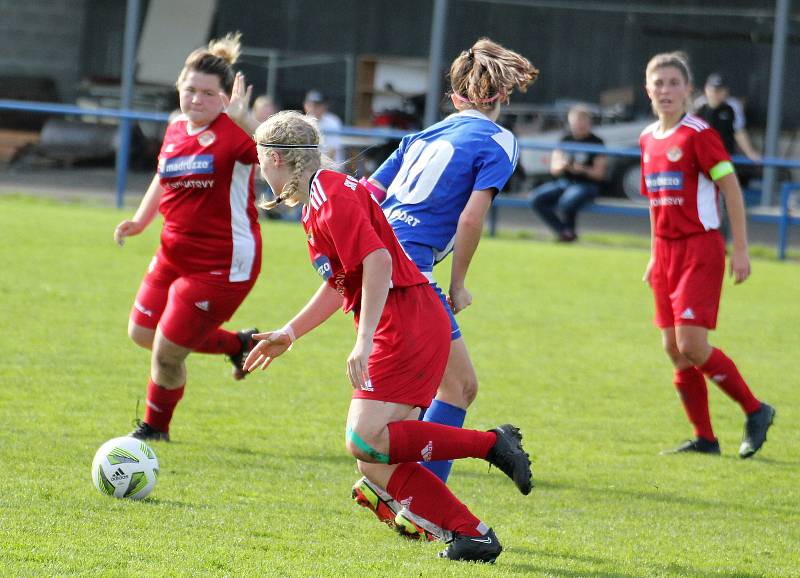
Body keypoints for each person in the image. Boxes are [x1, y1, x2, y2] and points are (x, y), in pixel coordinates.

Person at [243, 110, 532, 563]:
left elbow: (377, 261)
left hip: (407, 320)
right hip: (404, 318)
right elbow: (341, 281)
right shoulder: (320, 200)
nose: (260, 170)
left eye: (260, 160)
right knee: (372, 459)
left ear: (276, 158)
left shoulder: (332, 195)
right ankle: (471, 534)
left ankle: (492, 444)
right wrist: (290, 331)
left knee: (367, 439)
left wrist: (364, 340)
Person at [113, 33, 262, 442]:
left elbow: (277, 153)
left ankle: (153, 431)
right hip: (172, 253)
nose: (197, 100)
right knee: (141, 333)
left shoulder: (236, 134)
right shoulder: (176, 127)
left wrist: (249, 121)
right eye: (190, 90)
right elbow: (164, 175)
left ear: (225, 97)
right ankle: (238, 344)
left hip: (222, 264)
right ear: (179, 88)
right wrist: (141, 221)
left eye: (208, 94)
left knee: (166, 351)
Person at [640, 52, 775, 458]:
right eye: (658, 83)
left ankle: (756, 410)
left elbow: (731, 188)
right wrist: (652, 254)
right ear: (648, 89)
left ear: (688, 90)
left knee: (693, 345)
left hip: (700, 247)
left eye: (673, 83)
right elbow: (654, 203)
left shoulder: (698, 134)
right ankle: (705, 439)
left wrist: (741, 249)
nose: (665, 90)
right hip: (664, 253)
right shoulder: (648, 138)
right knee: (673, 349)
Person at [529, 104, 607, 241]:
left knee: (567, 202)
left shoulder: (597, 142)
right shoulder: (564, 140)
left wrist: (581, 170)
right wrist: (563, 166)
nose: (578, 126)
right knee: (536, 199)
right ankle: (563, 231)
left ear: (588, 123)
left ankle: (568, 233)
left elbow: (599, 174)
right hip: (564, 182)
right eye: (575, 123)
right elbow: (554, 168)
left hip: (586, 184)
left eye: (582, 122)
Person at [694, 73, 761, 162]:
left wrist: (750, 152)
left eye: (720, 90)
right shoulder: (699, 105)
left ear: (726, 91)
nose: (715, 94)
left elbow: (738, 131)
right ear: (706, 89)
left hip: (724, 157)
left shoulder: (732, 106)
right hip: (702, 157)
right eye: (713, 90)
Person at [303, 89, 344, 165]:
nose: (314, 108)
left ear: (324, 106)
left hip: (331, 167)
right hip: (310, 168)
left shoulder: (333, 121)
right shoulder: (302, 122)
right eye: (311, 105)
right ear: (305, 105)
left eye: (318, 105)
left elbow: (332, 152)